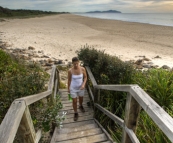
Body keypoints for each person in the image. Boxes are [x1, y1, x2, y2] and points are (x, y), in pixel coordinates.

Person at [68, 57, 87, 121]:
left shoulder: (82, 69)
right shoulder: (70, 71)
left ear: (79, 62)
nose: (76, 65)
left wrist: (83, 84)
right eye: (74, 64)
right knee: (74, 101)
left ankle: (80, 105)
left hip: (81, 87)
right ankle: (75, 112)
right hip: (73, 88)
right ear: (72, 63)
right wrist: (68, 89)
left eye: (77, 63)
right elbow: (69, 80)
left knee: (81, 99)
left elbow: (85, 77)